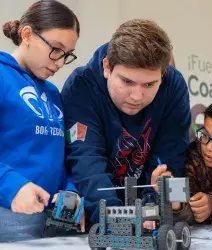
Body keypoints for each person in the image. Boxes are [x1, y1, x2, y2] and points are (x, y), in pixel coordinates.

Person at [61, 19, 191, 230]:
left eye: (150, 84)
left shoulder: (174, 86)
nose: (137, 96)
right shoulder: (81, 86)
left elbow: (171, 158)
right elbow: (86, 160)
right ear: (106, 67)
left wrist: (155, 208)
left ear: (162, 76)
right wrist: (115, 219)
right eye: (127, 82)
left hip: (148, 216)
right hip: (95, 215)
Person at [0, 0, 84, 242]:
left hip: (53, 223)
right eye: (56, 49)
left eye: (67, 55)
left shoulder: (54, 94)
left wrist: (71, 190)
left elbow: (61, 156)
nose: (59, 62)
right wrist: (11, 185)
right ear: (27, 34)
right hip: (9, 218)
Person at [151, 96, 212, 225]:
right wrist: (174, 200)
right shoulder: (192, 157)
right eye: (205, 135)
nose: (208, 147)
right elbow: (185, 214)